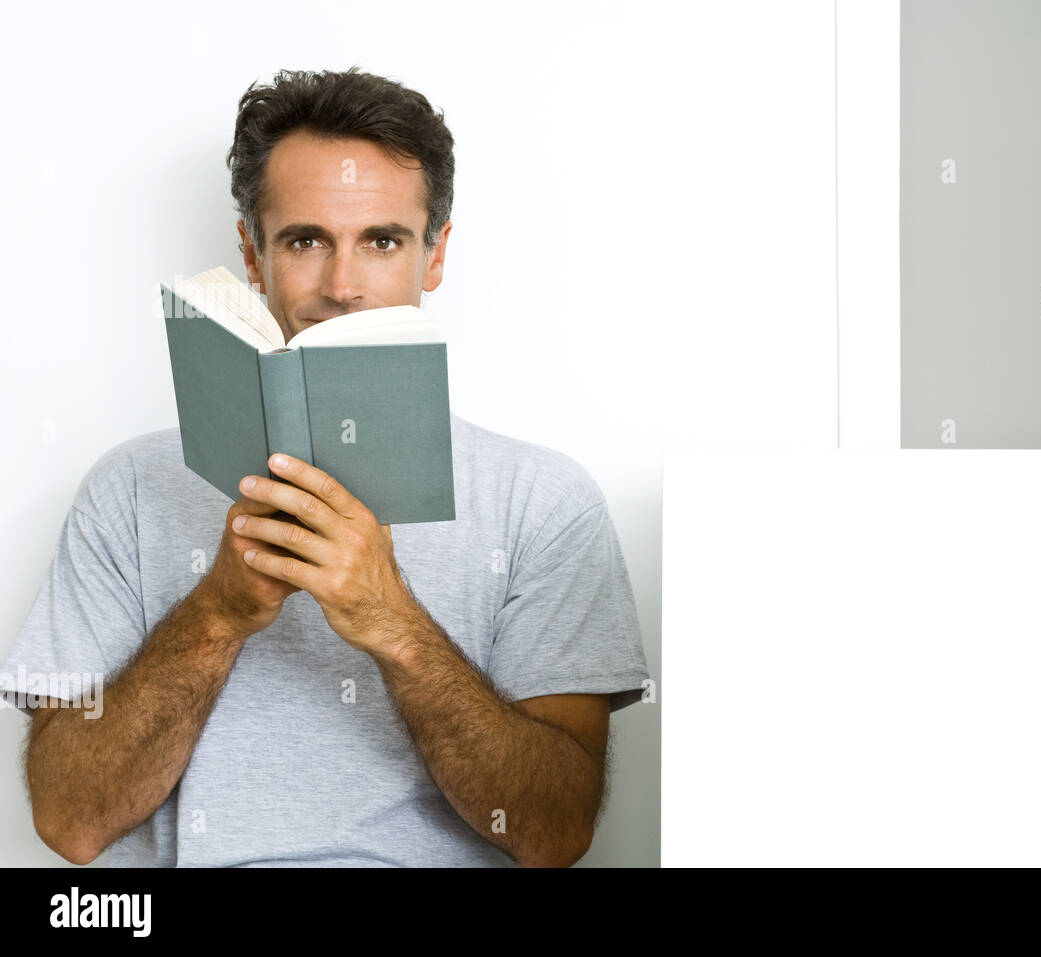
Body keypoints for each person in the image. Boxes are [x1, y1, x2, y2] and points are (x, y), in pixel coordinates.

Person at [0, 67, 651, 868]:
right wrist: (218, 612)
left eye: (382, 241)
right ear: (251, 252)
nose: (343, 288)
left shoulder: (543, 500)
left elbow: (556, 833)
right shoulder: (127, 490)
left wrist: (393, 623)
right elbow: (70, 821)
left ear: (435, 254)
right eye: (305, 240)